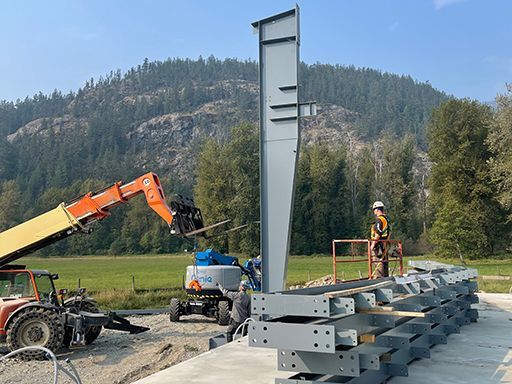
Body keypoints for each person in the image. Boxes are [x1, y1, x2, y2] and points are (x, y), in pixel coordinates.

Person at [370, 201, 391, 278]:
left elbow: (378, 233)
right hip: (384, 245)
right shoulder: (386, 219)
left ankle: (379, 280)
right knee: (384, 263)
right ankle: (385, 278)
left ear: (377, 209)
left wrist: (372, 245)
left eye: (374, 209)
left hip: (378, 246)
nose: (374, 211)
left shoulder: (379, 220)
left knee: (378, 264)